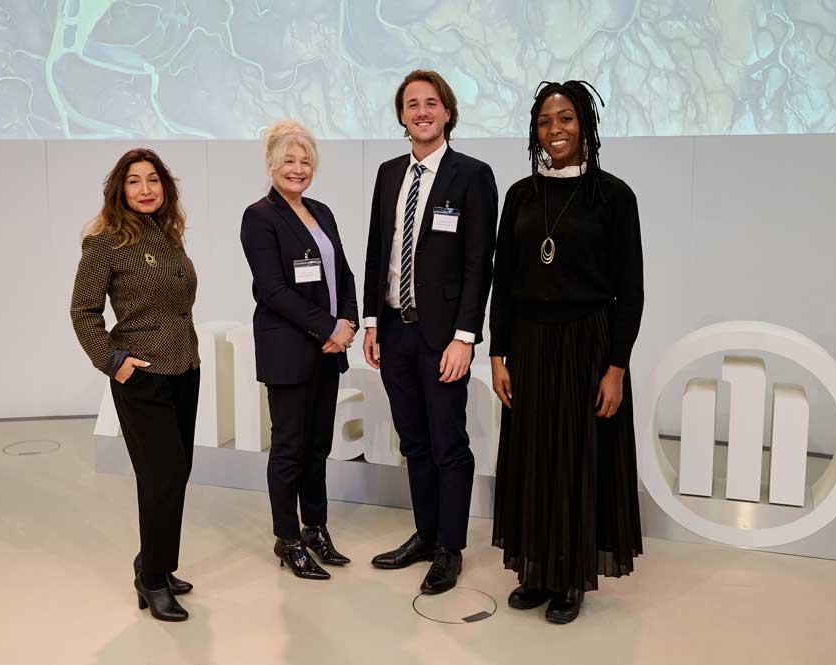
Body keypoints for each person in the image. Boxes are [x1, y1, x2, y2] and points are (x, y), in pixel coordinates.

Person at [489, 80, 644, 624]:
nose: (555, 130)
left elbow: (632, 290)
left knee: (578, 458)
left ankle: (571, 578)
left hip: (588, 345)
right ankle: (536, 569)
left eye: (566, 119)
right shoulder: (521, 195)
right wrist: (497, 353)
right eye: (545, 121)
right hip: (530, 345)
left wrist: (617, 367)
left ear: (586, 126)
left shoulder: (613, 196)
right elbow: (501, 280)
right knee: (535, 455)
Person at [362, 70, 498, 594]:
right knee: (413, 442)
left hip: (443, 337)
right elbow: (378, 249)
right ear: (402, 115)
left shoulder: (472, 174)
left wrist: (465, 337)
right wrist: (373, 321)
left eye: (431, 103)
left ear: (447, 112)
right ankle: (424, 533)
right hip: (395, 331)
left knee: (448, 443)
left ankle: (450, 548)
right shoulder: (388, 172)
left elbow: (478, 264)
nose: (421, 111)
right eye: (412, 104)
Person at [70, 148, 200, 622]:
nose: (145, 189)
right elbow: (83, 312)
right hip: (141, 375)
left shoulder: (168, 234)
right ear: (119, 190)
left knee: (177, 471)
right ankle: (150, 581)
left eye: (153, 180)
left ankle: (158, 564)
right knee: (160, 475)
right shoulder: (104, 242)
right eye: (134, 181)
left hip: (185, 368)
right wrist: (113, 361)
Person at [240, 120, 359, 580]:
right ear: (271, 164)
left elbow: (343, 274)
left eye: (305, 160)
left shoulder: (322, 212)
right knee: (289, 449)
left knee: (317, 445)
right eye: (289, 160)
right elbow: (272, 291)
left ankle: (316, 529)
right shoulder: (260, 217)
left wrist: (347, 322)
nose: (298, 168)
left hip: (329, 350)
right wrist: (329, 326)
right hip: (289, 351)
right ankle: (287, 539)